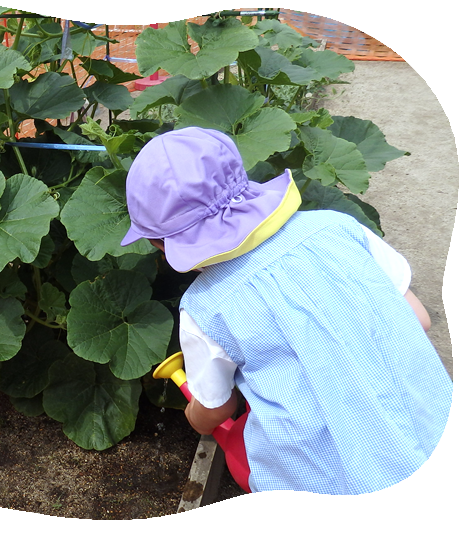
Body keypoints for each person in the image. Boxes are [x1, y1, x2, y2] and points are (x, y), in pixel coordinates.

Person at [121, 126, 459, 549]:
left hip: (322, 499)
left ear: (161, 243)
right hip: (429, 448)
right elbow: (419, 319)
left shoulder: (205, 308)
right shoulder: (337, 227)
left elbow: (215, 406)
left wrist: (195, 418)